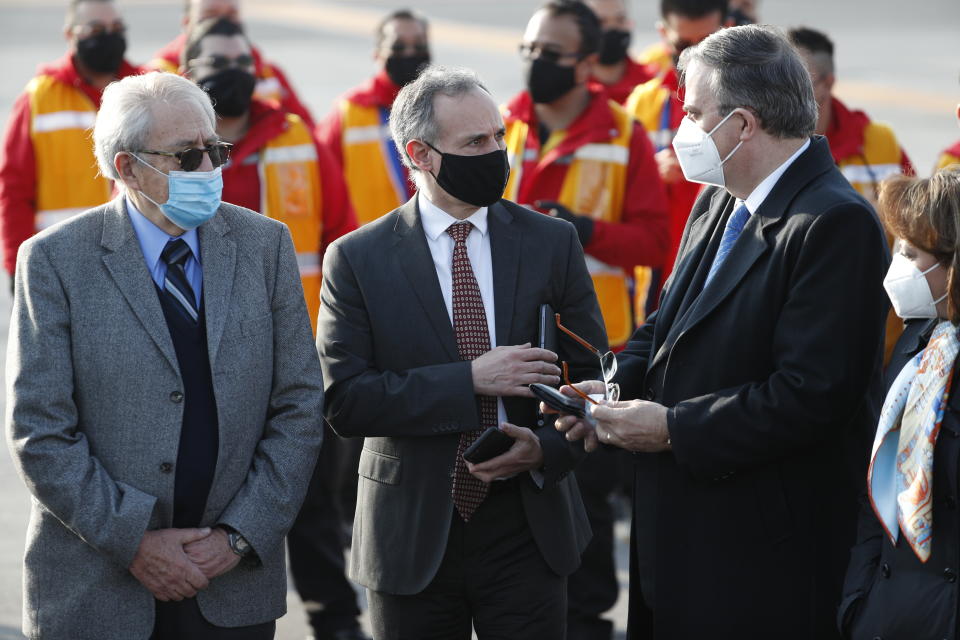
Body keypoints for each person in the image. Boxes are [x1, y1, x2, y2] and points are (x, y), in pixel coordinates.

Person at [553, 25, 890, 638]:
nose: (682, 127)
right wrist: (608, 393)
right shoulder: (721, 198)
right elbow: (666, 324)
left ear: (742, 125)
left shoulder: (833, 223)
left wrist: (672, 430)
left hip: (758, 560)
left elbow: (812, 395)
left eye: (694, 112)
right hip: (679, 541)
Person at [4, 71, 324, 639]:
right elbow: (40, 429)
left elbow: (299, 405)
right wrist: (134, 542)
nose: (208, 170)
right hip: (97, 590)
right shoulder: (56, 261)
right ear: (127, 167)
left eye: (214, 150)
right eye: (185, 156)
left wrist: (237, 536)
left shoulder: (264, 245)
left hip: (230, 587)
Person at [316, 64, 605, 640]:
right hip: (413, 531)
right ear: (419, 154)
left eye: (499, 136)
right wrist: (468, 379)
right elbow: (345, 402)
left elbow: (594, 377)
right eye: (475, 142)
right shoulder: (357, 259)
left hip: (529, 523)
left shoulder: (551, 241)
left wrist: (545, 448)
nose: (496, 152)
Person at [504, 0, 668, 350]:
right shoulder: (502, 125)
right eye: (529, 48)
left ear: (586, 65)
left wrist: (585, 231)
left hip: (595, 340)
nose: (535, 60)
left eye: (550, 52)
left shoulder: (625, 135)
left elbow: (654, 243)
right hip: (509, 333)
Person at [840, 167, 960, 640]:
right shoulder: (915, 345)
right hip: (889, 612)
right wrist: (858, 602)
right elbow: (879, 498)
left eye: (912, 253)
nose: (898, 264)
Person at [181, 17, 355, 333]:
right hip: (198, 328)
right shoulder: (167, 145)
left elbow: (341, 234)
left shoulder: (297, 136)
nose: (234, 70)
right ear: (188, 73)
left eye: (243, 61)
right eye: (218, 62)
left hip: (293, 328)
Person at [0, 0, 141, 284]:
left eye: (116, 28)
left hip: (138, 262)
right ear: (70, 35)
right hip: (61, 262)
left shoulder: (145, 90)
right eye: (96, 29)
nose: (108, 36)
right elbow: (13, 189)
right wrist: (17, 265)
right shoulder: (39, 98)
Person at [625, 0, 727, 277]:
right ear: (663, 34)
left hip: (720, 261)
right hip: (657, 274)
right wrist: (651, 172)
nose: (696, 55)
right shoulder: (643, 102)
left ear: (728, 29)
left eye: (707, 42)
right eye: (683, 45)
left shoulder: (752, 101)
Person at [315, 9, 431, 226]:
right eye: (398, 47)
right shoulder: (348, 113)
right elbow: (319, 186)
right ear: (377, 54)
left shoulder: (444, 105)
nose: (409, 53)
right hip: (369, 249)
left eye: (419, 46)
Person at [788, 27, 914, 203]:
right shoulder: (767, 147)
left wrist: (882, 217)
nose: (785, 92)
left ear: (828, 83)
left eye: (798, 84)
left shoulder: (881, 142)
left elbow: (918, 222)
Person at [148, 0, 314, 127]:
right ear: (186, 23)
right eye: (210, 15)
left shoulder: (268, 73)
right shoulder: (155, 77)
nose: (221, 24)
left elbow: (308, 133)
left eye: (231, 15)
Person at [585, 0, 652, 105]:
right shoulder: (572, 91)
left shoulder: (652, 84)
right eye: (601, 22)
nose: (612, 28)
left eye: (620, 20)